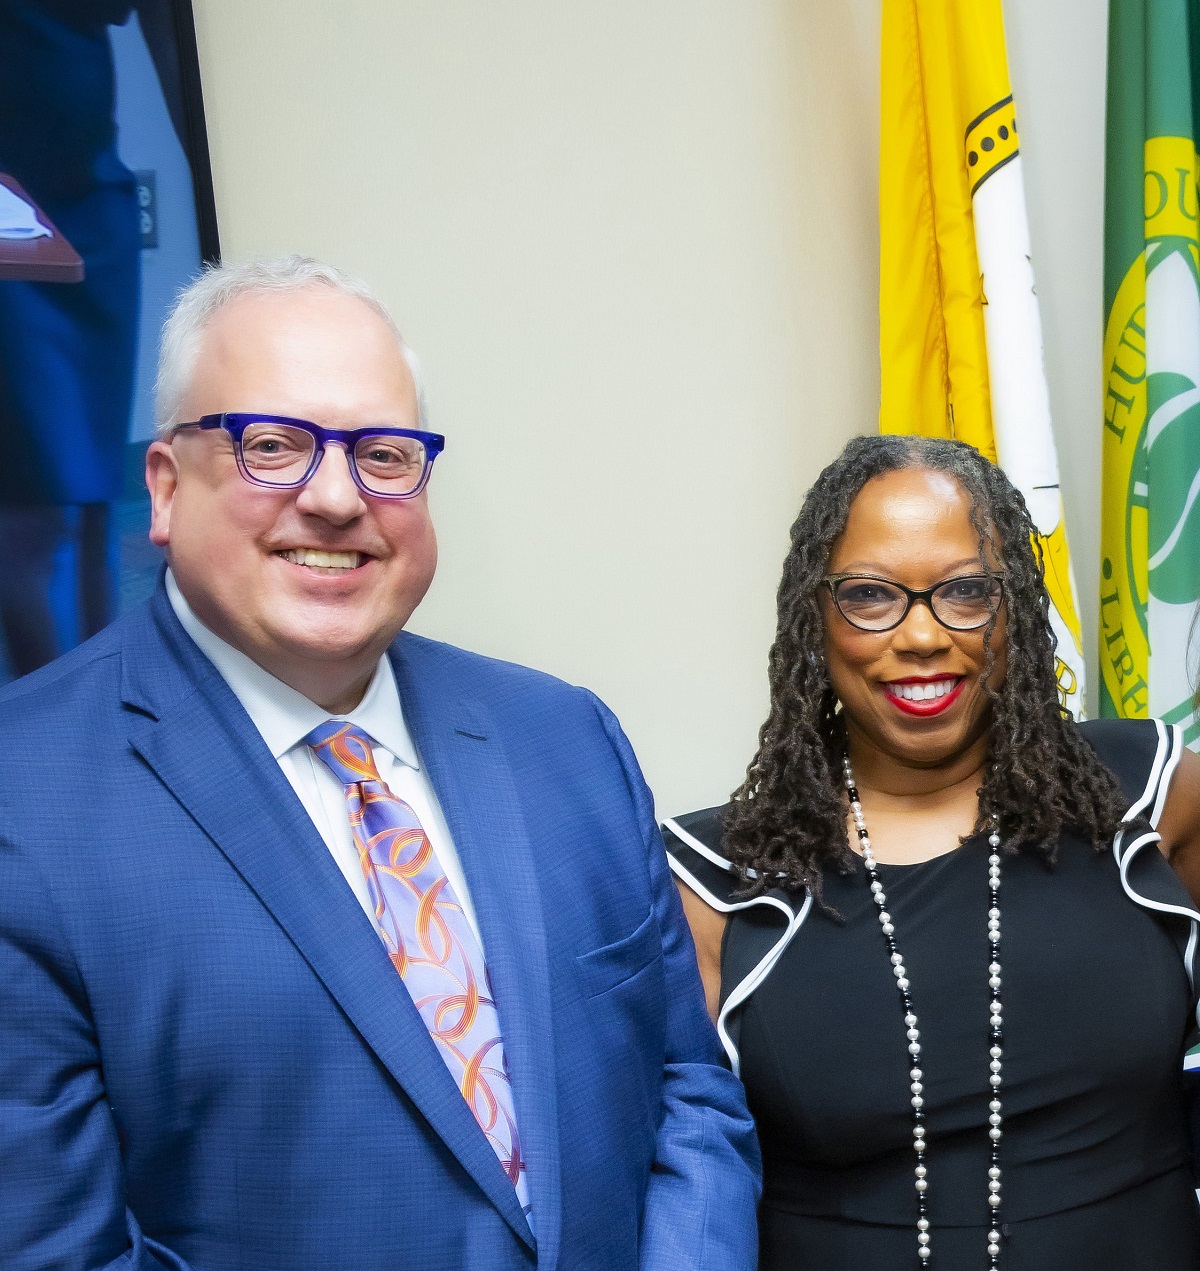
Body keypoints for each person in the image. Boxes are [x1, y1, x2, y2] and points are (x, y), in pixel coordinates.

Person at [0, 256, 760, 1271]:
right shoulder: (26, 796)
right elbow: (57, 1250)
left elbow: (687, 1087)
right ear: (167, 485)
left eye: (385, 454)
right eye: (272, 445)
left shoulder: (564, 737)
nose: (334, 497)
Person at [665, 433, 1200, 1271]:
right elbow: (675, 1180)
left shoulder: (1148, 793)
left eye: (966, 591)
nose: (921, 634)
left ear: (1015, 605)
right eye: (871, 596)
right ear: (816, 613)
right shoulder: (712, 880)